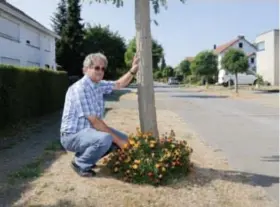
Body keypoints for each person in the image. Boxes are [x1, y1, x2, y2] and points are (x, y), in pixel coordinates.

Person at [60, 52, 139, 177]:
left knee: (123, 139)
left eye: (103, 68)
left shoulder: (98, 85)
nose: (100, 71)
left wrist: (133, 70)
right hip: (72, 136)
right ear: (85, 69)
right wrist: (118, 142)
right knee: (107, 138)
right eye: (96, 67)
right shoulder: (80, 88)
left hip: (89, 132)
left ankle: (85, 156)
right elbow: (94, 121)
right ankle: (81, 163)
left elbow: (119, 84)